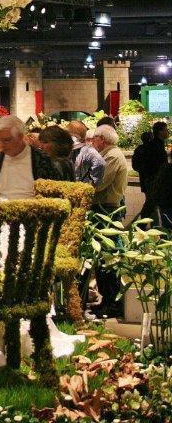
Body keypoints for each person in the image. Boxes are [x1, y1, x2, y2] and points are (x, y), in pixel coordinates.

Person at [90, 124, 129, 317]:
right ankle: (107, 300)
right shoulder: (107, 154)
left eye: (94, 139)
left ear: (102, 139)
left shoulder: (112, 155)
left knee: (108, 258)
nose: (91, 142)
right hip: (102, 210)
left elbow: (97, 183)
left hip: (107, 211)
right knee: (101, 259)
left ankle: (113, 303)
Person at [0, 115, 59, 200]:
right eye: (0, 140)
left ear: (20, 137)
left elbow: (55, 195)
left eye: (7, 140)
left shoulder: (43, 161)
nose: (2, 145)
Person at [132, 122, 169, 218]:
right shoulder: (155, 147)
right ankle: (146, 226)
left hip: (150, 180)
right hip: (154, 181)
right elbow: (156, 165)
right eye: (165, 130)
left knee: (151, 204)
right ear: (160, 132)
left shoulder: (156, 145)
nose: (167, 132)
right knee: (152, 205)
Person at [67, 120, 106, 186]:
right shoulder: (87, 150)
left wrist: (93, 183)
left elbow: (100, 163)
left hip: (79, 187)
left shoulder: (87, 151)